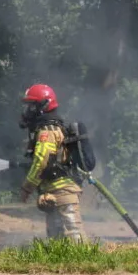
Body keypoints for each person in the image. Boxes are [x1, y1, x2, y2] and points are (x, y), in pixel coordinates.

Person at [18, 83, 87, 242]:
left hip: (63, 191)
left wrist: (27, 188)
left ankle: (85, 264)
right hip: (52, 192)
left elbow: (41, 162)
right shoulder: (51, 127)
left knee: (73, 233)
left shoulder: (47, 131)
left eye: (32, 106)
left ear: (43, 105)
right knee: (57, 236)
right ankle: (61, 265)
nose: (28, 111)